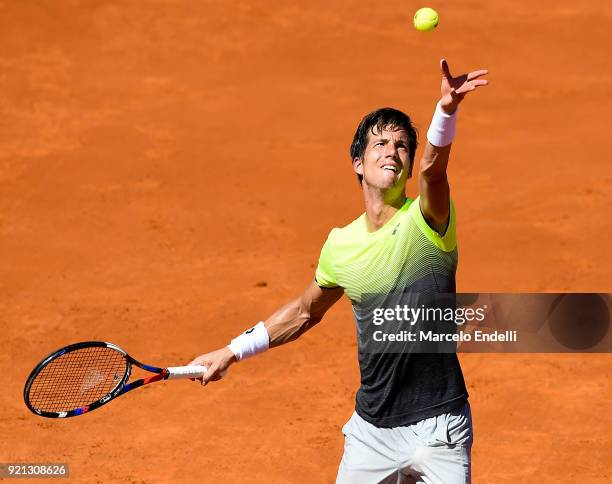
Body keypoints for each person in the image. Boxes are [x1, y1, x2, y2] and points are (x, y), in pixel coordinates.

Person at [188, 58, 489, 484]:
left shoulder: (427, 219)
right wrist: (232, 351)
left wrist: (446, 111)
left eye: (402, 145)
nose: (393, 151)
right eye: (380, 143)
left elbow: (434, 171)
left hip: (439, 428)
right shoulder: (340, 244)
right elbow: (304, 311)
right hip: (372, 431)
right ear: (358, 163)